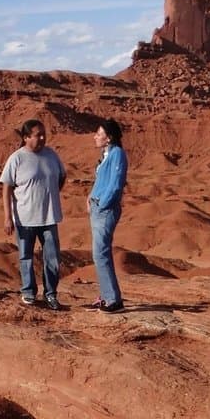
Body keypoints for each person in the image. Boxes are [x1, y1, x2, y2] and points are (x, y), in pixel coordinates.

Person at [0, 118, 66, 310]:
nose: (43, 138)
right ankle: (28, 292)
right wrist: (7, 217)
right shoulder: (16, 158)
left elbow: (62, 176)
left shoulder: (52, 155)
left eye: (44, 134)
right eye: (38, 135)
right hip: (24, 218)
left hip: (49, 217)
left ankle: (51, 294)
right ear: (26, 137)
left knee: (52, 258)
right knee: (26, 257)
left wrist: (51, 194)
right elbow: (6, 189)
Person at [89, 118, 128, 312]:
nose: (95, 136)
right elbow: (102, 181)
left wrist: (102, 204)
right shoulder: (107, 155)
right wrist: (91, 198)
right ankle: (105, 296)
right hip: (98, 208)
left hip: (105, 210)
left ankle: (113, 300)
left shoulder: (117, 154)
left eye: (99, 134)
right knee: (99, 254)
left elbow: (115, 185)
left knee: (100, 254)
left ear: (109, 138)